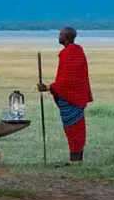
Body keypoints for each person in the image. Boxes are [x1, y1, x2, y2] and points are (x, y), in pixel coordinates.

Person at [37, 26, 93, 163]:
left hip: (73, 98)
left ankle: (76, 159)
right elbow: (64, 78)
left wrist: (48, 87)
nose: (59, 36)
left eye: (61, 34)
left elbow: (69, 80)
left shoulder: (72, 53)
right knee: (71, 129)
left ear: (67, 37)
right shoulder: (68, 53)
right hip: (68, 97)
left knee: (76, 129)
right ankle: (75, 159)